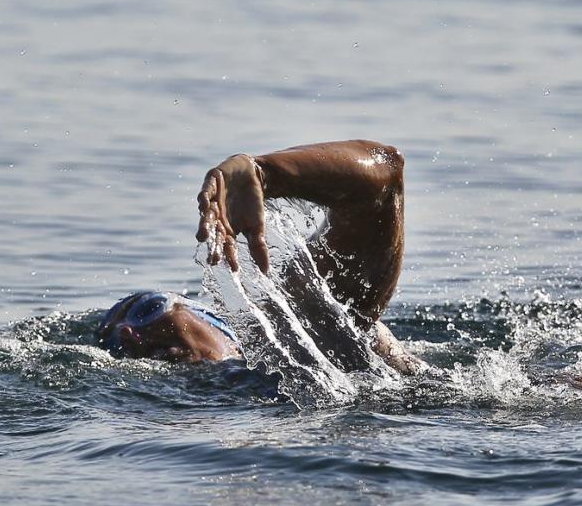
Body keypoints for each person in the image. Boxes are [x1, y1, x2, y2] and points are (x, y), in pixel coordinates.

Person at [97, 139, 422, 373]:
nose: (127, 334)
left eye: (148, 309)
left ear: (222, 326)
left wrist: (264, 173)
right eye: (112, 344)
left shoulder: (300, 322)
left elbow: (383, 175)